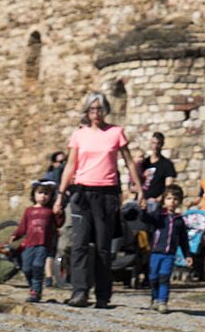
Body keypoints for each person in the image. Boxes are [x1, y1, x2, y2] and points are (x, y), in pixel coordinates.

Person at [54, 92, 142, 308]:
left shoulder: (116, 133)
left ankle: (103, 295)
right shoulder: (79, 135)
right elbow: (71, 165)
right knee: (80, 244)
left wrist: (139, 188)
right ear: (87, 111)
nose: (96, 113)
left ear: (105, 110)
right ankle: (80, 291)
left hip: (107, 194)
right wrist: (60, 195)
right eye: (92, 109)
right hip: (82, 192)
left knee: (103, 246)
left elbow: (129, 162)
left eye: (99, 109)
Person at [135, 183, 190, 313]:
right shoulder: (159, 216)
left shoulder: (179, 221)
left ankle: (162, 301)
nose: (172, 202)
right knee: (153, 277)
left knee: (164, 277)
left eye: (175, 199)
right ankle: (154, 298)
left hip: (169, 254)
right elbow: (146, 219)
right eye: (169, 198)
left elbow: (184, 240)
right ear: (164, 200)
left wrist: (187, 255)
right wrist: (143, 210)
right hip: (155, 252)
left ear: (180, 201)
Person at [10, 181, 62, 303]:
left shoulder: (50, 211)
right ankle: (32, 286)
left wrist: (59, 213)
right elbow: (23, 227)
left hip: (43, 244)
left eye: (47, 193)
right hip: (29, 244)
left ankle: (36, 291)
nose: (43, 196)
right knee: (27, 268)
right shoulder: (29, 211)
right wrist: (15, 235)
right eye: (40, 193)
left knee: (38, 266)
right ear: (33, 194)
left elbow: (59, 223)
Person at [140, 133, 177, 213]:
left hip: (155, 202)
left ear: (162, 144)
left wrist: (158, 199)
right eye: (153, 143)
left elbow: (168, 188)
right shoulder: (144, 163)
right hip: (141, 200)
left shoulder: (167, 164)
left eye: (158, 144)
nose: (155, 146)